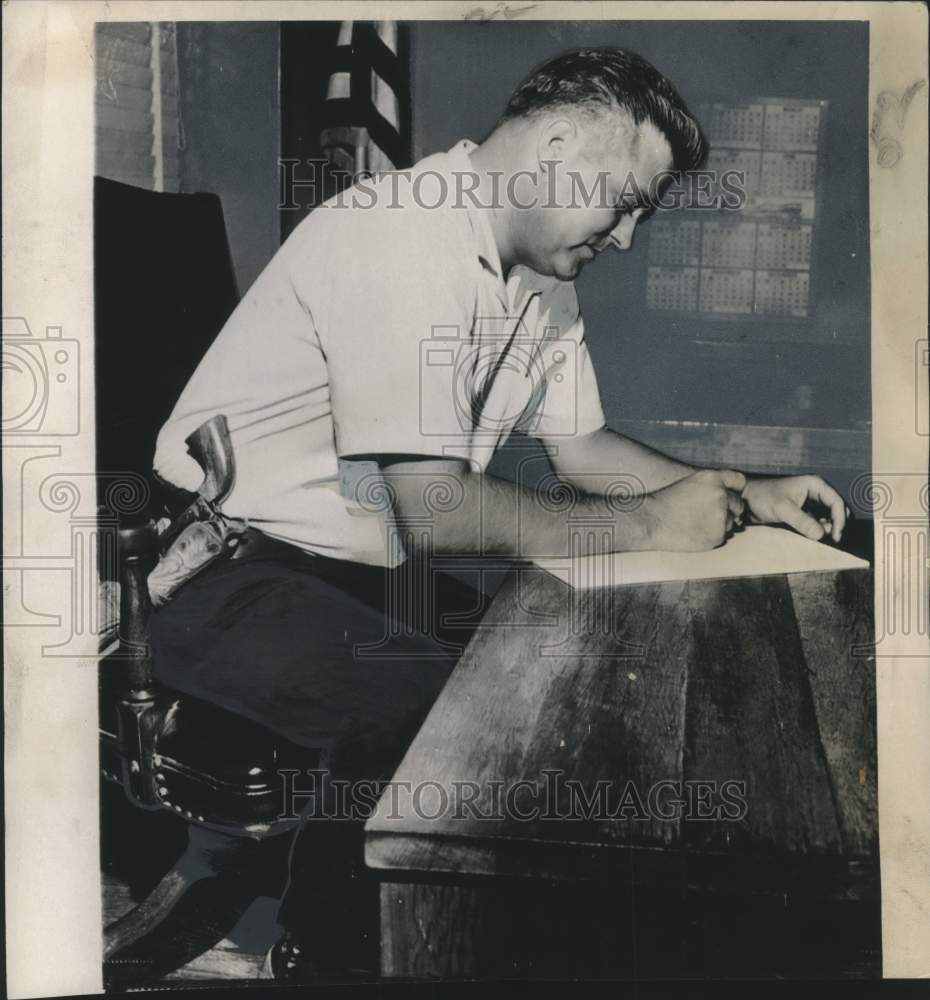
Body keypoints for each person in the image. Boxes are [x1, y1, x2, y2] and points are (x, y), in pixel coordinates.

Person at [148, 47, 848, 980]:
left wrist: (737, 491)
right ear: (555, 147)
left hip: (343, 569)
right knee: (457, 729)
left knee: (562, 685)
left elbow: (584, 451)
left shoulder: (541, 280)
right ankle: (330, 961)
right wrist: (651, 527)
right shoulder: (400, 234)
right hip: (218, 578)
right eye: (625, 202)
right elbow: (434, 511)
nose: (626, 238)